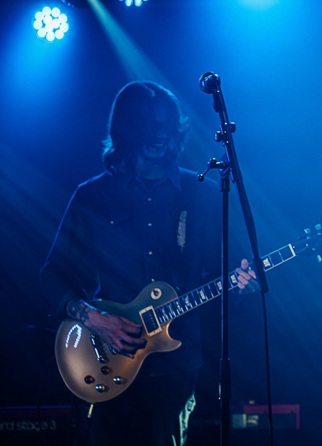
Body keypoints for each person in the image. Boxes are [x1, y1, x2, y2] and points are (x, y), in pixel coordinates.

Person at [40, 80, 257, 446]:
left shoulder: (199, 193)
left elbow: (217, 272)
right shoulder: (93, 195)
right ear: (126, 128)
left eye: (165, 124)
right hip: (106, 357)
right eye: (148, 124)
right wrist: (95, 318)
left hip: (176, 364)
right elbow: (51, 275)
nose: (159, 134)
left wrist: (238, 284)